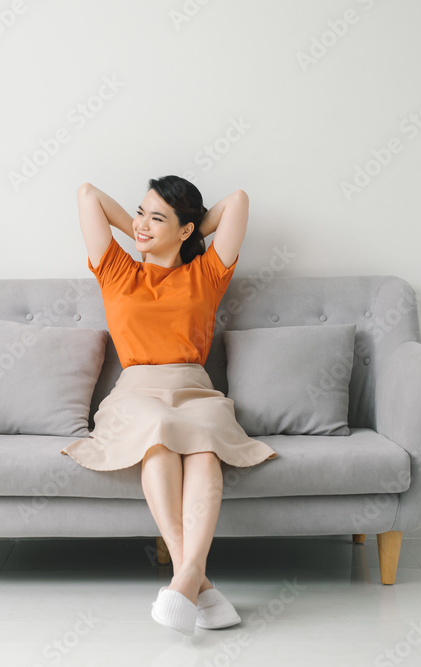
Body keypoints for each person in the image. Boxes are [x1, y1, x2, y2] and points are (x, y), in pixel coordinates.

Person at [60, 175, 278, 636]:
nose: (140, 224)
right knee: (157, 430)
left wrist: (183, 230)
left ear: (187, 231)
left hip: (194, 388)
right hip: (138, 390)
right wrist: (148, 226)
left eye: (155, 217)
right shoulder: (117, 269)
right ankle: (193, 580)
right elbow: (88, 196)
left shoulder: (207, 273)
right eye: (139, 212)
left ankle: (185, 581)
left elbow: (238, 200)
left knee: (202, 446)